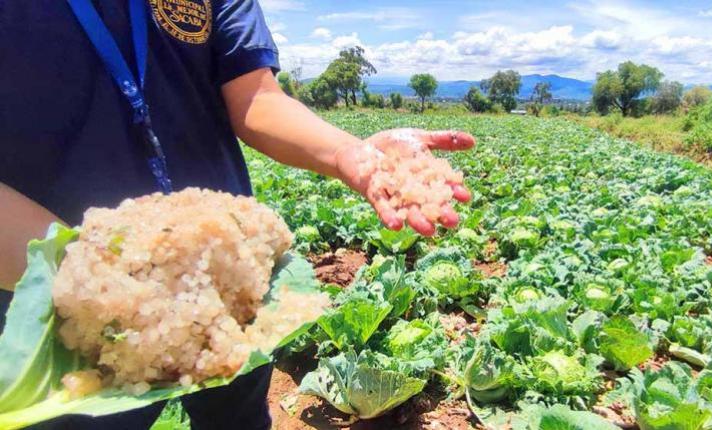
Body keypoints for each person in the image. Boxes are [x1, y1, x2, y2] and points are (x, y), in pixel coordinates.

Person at [0, 0, 474, 428]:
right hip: (65, 297)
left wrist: (348, 153)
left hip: (230, 279)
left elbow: (256, 96)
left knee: (239, 419)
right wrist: (95, 276)